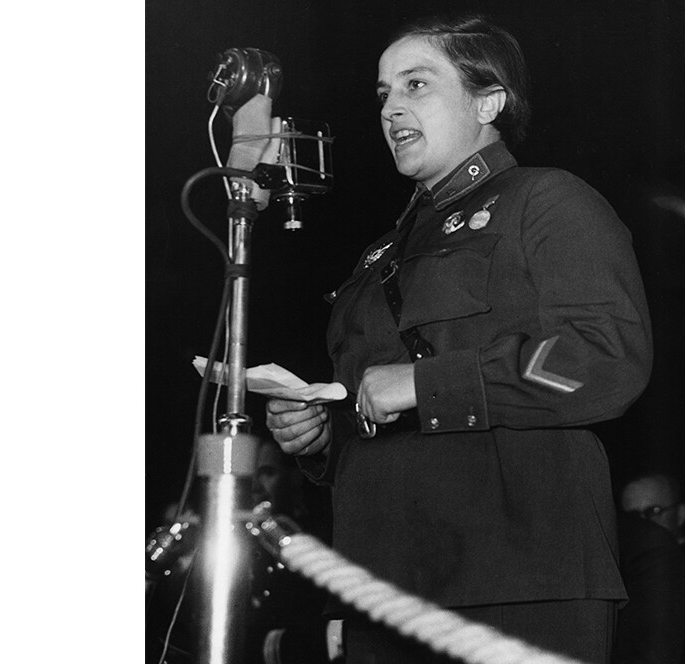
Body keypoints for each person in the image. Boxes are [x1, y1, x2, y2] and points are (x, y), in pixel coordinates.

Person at [265, 14, 652, 664]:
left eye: (416, 84)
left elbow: (603, 357)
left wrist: (423, 386)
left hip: (517, 579)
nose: (391, 108)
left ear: (489, 100)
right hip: (382, 591)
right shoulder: (377, 256)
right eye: (383, 92)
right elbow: (377, 413)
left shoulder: (547, 201)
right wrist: (321, 434)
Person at [618, 472, 685, 664]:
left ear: (680, 514)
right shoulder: (626, 573)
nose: (644, 523)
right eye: (634, 517)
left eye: (653, 511)